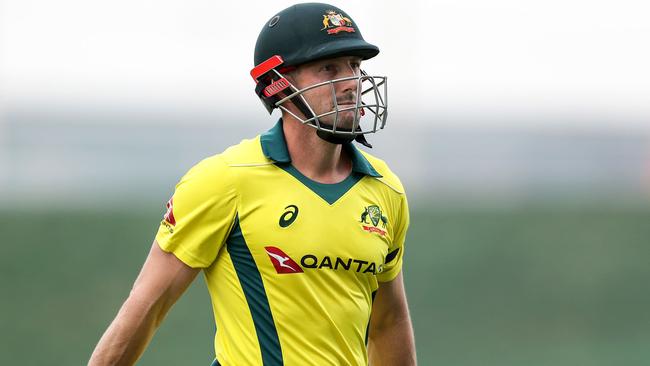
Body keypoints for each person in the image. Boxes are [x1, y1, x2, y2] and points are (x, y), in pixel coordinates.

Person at [88, 3, 416, 365]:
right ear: (280, 83)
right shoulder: (224, 180)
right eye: (329, 68)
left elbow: (387, 322)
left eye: (355, 66)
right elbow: (147, 305)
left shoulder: (385, 190)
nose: (352, 83)